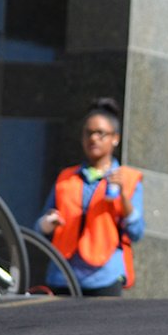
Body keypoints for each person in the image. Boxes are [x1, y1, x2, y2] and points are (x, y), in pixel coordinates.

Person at [34, 98, 145, 296]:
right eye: (88, 133)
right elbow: (40, 228)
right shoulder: (66, 177)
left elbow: (136, 231)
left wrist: (123, 197)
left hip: (104, 278)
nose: (93, 139)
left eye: (100, 133)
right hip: (62, 275)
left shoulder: (128, 179)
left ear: (115, 138)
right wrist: (48, 222)